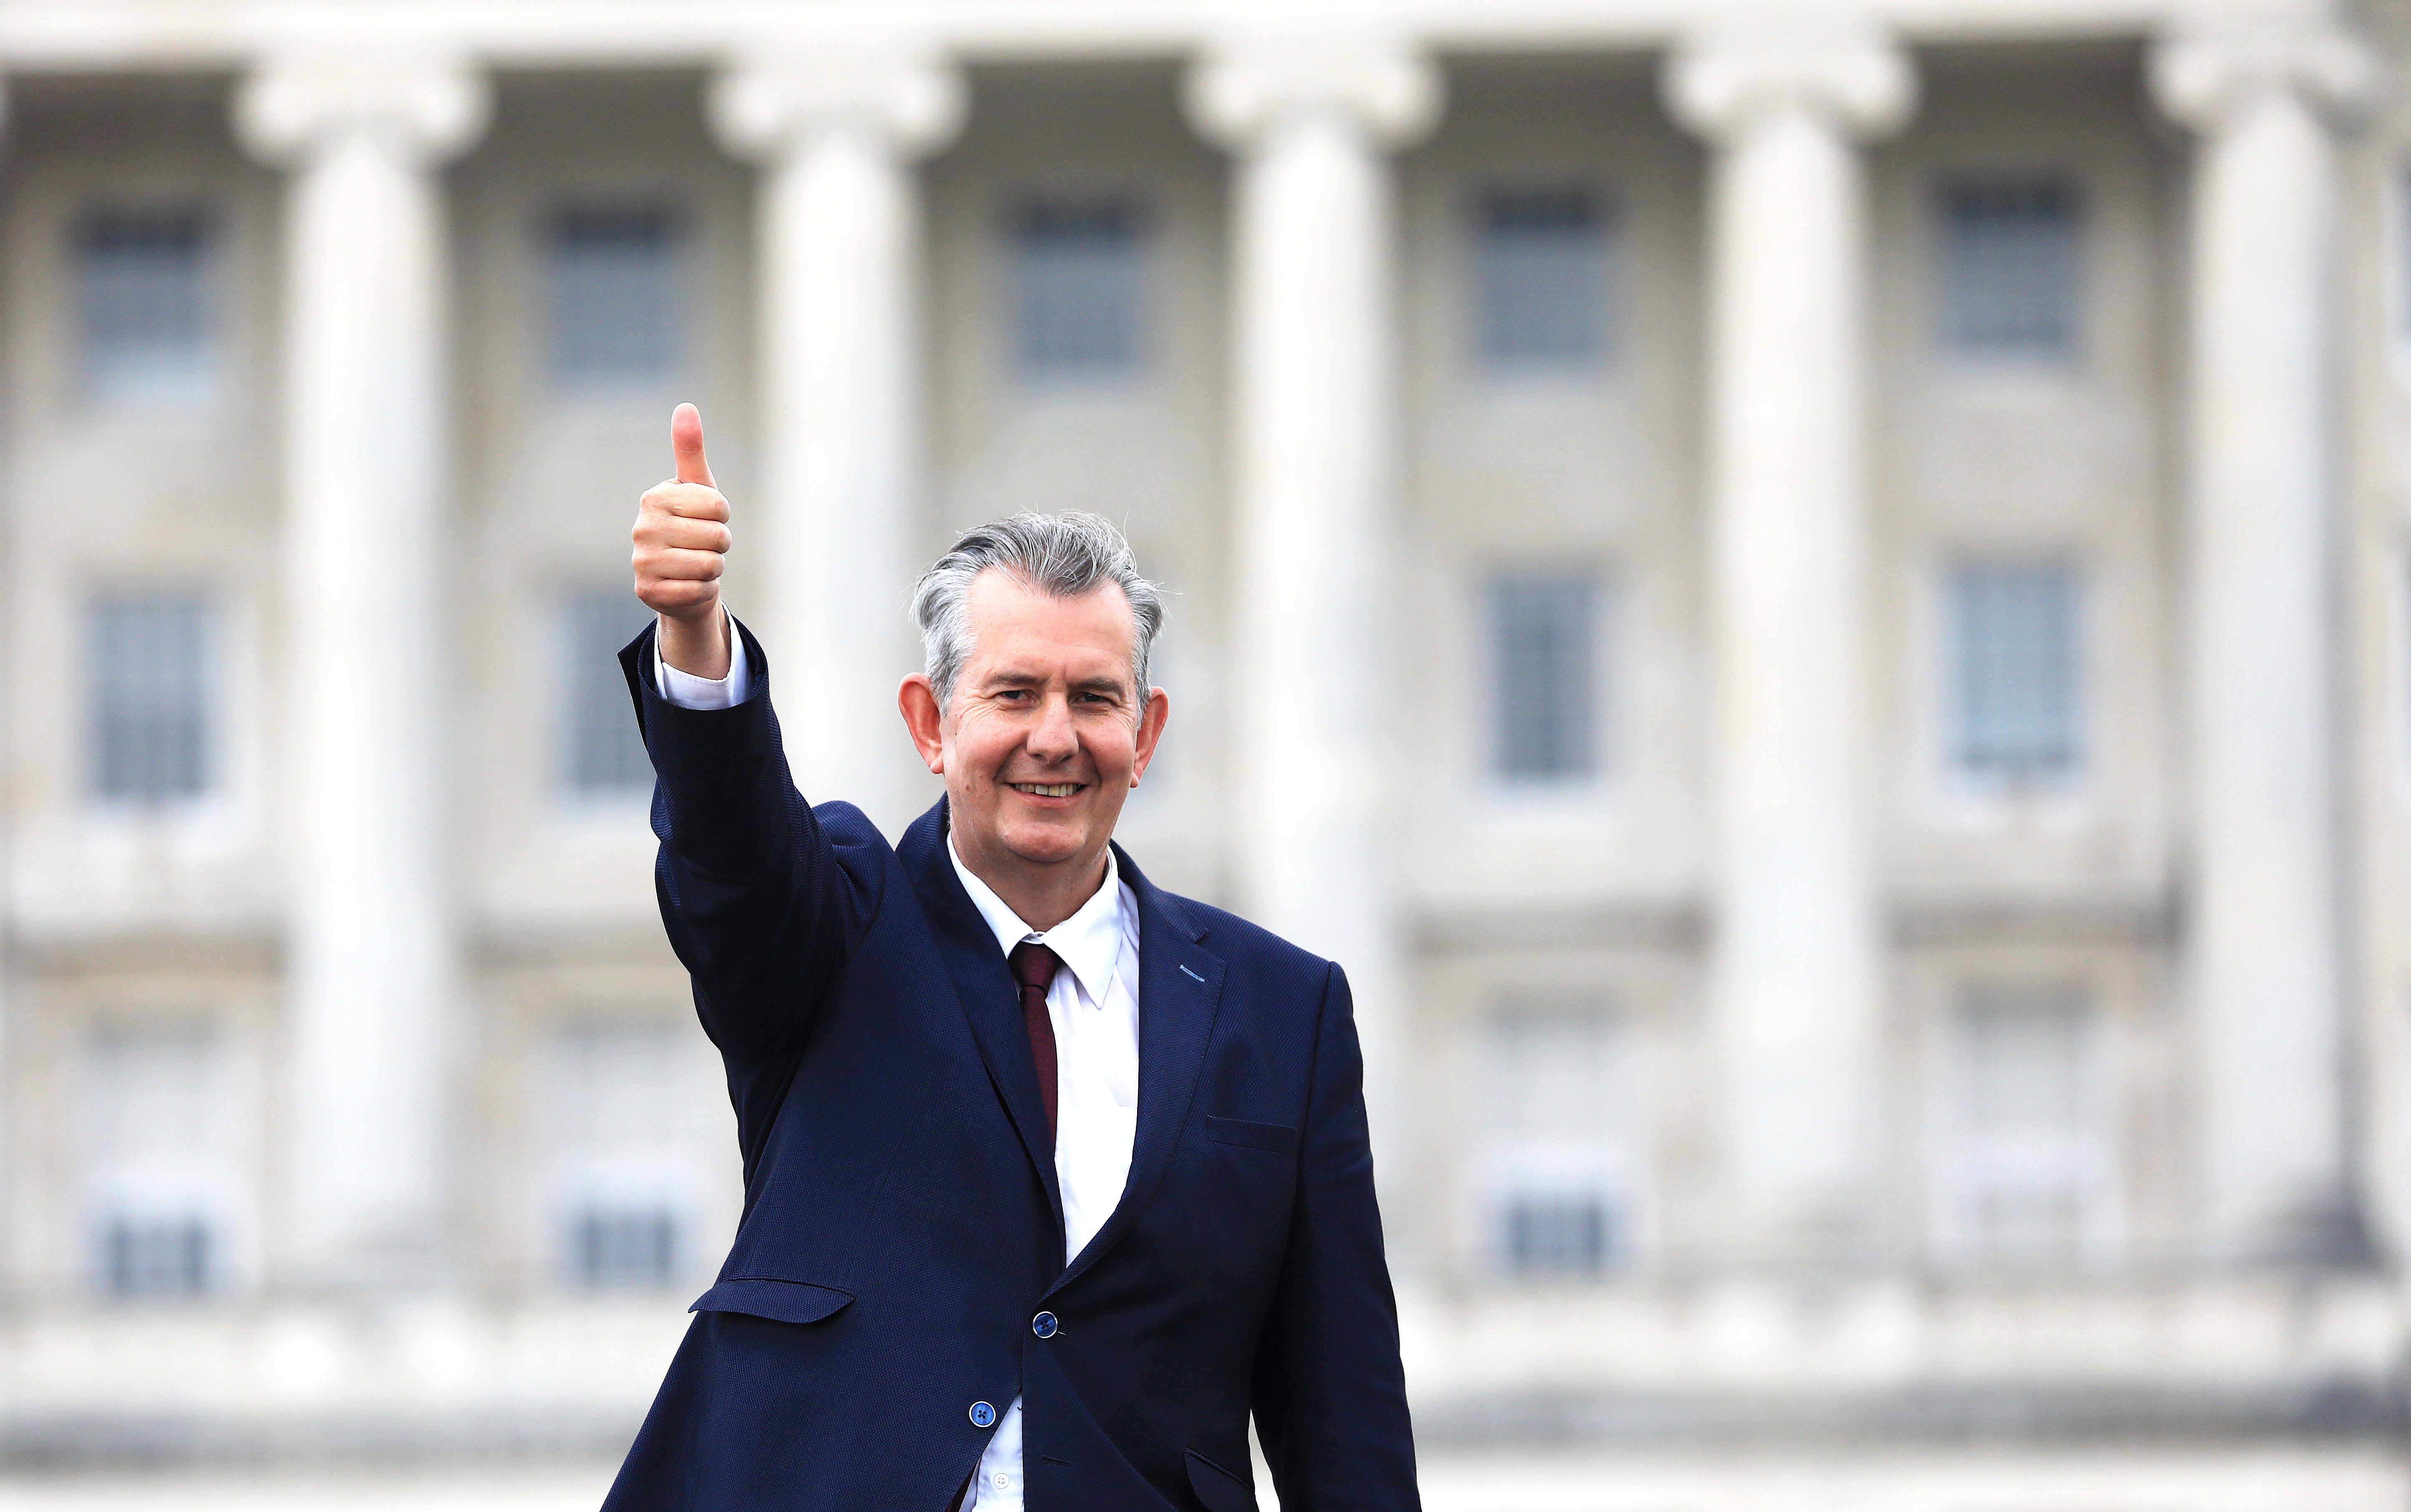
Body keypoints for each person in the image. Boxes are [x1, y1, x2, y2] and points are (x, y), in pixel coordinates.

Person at [600, 403, 1418, 1512]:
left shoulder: (1284, 1008)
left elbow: (1345, 1415)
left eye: (1094, 697)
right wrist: (696, 642)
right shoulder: (836, 921)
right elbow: (733, 854)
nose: (1054, 736)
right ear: (931, 725)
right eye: (1015, 693)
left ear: (1148, 731)